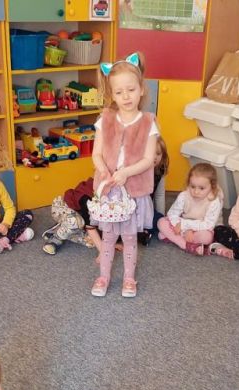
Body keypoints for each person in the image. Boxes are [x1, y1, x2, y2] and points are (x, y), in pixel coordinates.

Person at [90, 52, 158, 298]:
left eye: (131, 90)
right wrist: (104, 171)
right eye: (119, 92)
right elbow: (96, 154)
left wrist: (126, 172)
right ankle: (103, 277)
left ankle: (129, 278)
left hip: (133, 192)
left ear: (141, 89)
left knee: (129, 239)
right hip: (109, 191)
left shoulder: (149, 122)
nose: (126, 96)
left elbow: (148, 160)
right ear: (112, 94)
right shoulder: (105, 119)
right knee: (108, 238)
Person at [156, 162, 222, 256]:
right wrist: (183, 229)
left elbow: (208, 224)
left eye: (201, 188)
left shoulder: (214, 201)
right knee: (161, 222)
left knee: (207, 238)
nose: (196, 192)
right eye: (192, 186)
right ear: (188, 183)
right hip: (180, 225)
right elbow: (172, 214)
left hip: (200, 228)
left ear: (212, 187)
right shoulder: (184, 196)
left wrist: (186, 226)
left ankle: (172, 237)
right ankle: (185, 245)